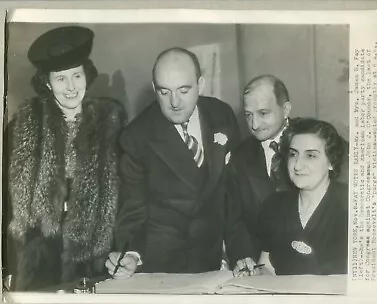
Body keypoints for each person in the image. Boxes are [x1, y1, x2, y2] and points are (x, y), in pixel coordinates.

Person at [106, 47, 253, 277]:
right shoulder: (137, 136)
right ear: (154, 89)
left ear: (200, 85)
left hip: (215, 258)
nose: (174, 102)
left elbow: (231, 194)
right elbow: (133, 209)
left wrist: (241, 250)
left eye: (184, 90)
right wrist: (132, 255)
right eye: (164, 92)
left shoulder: (221, 114)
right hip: (165, 265)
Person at [5, 26, 126, 290]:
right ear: (47, 83)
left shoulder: (111, 125)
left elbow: (129, 197)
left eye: (77, 76)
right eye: (60, 79)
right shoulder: (23, 127)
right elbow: (6, 204)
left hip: (95, 260)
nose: (71, 87)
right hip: (38, 260)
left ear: (87, 76)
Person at [256, 118, 348, 275]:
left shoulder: (352, 205)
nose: (297, 165)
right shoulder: (274, 205)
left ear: (331, 161)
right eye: (293, 154)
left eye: (311, 156)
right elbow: (266, 265)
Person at [225, 75, 293, 268]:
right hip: (260, 266)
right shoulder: (240, 156)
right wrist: (242, 255)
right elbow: (234, 219)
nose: (254, 124)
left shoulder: (313, 140)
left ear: (286, 109)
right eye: (248, 115)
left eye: (263, 113)